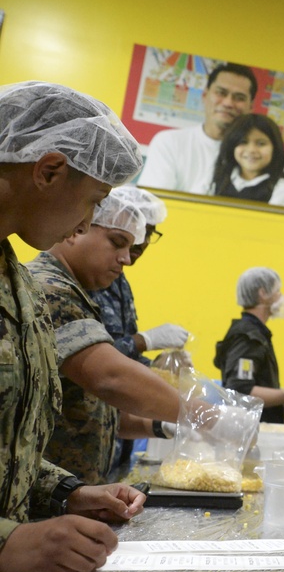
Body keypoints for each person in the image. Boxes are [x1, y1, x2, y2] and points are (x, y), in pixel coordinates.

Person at [0, 81, 146, 572]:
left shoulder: (15, 282)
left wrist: (66, 491)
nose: (85, 223)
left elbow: (8, 444)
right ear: (49, 170)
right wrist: (5, 543)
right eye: (94, 200)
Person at [28, 189, 184, 484]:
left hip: (72, 485)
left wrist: (162, 425)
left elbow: (94, 407)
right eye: (118, 242)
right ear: (77, 229)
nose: (127, 259)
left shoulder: (85, 290)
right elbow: (110, 379)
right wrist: (204, 415)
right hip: (47, 492)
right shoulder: (50, 288)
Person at [88, 185, 189, 467]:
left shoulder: (118, 281)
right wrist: (145, 339)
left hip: (114, 443)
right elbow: (98, 363)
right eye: (136, 233)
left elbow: (122, 357)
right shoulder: (84, 280)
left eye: (148, 235)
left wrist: (157, 366)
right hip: (76, 449)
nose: (142, 244)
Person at [137, 62, 257, 195]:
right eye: (221, 93)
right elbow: (151, 203)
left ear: (250, 107)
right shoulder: (169, 142)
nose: (228, 103)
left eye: (239, 98)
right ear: (205, 95)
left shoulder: (257, 155)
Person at [214, 267, 284, 423]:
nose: (281, 296)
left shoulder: (256, 334)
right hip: (253, 429)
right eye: (277, 291)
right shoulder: (247, 337)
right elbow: (240, 390)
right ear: (263, 293)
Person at [210, 113, 284, 209]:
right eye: (243, 142)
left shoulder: (283, 187)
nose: (251, 150)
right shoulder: (219, 176)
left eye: (261, 144)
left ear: (275, 148)